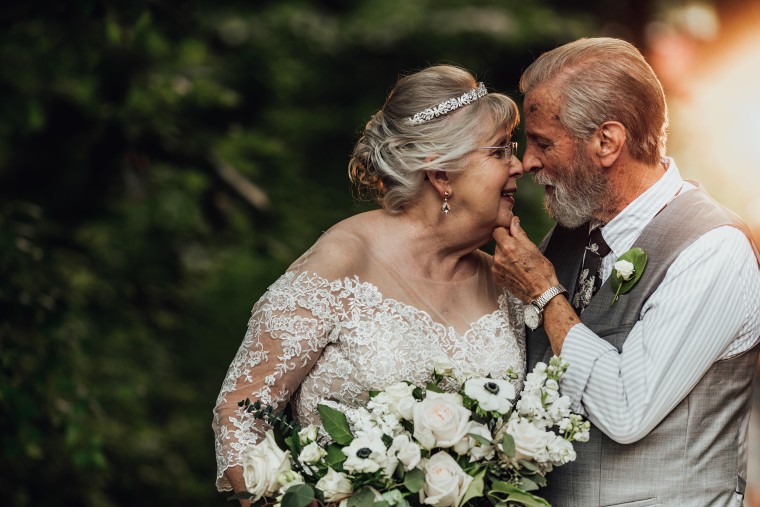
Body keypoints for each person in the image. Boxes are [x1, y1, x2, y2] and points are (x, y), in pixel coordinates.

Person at [212, 65, 526, 500]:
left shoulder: (504, 282)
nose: (521, 165)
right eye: (500, 152)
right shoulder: (342, 261)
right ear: (442, 176)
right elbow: (239, 415)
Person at [491, 37, 760, 506]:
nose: (527, 161)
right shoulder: (572, 234)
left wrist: (545, 294)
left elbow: (626, 410)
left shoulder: (714, 250)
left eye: (543, 142)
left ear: (606, 141)